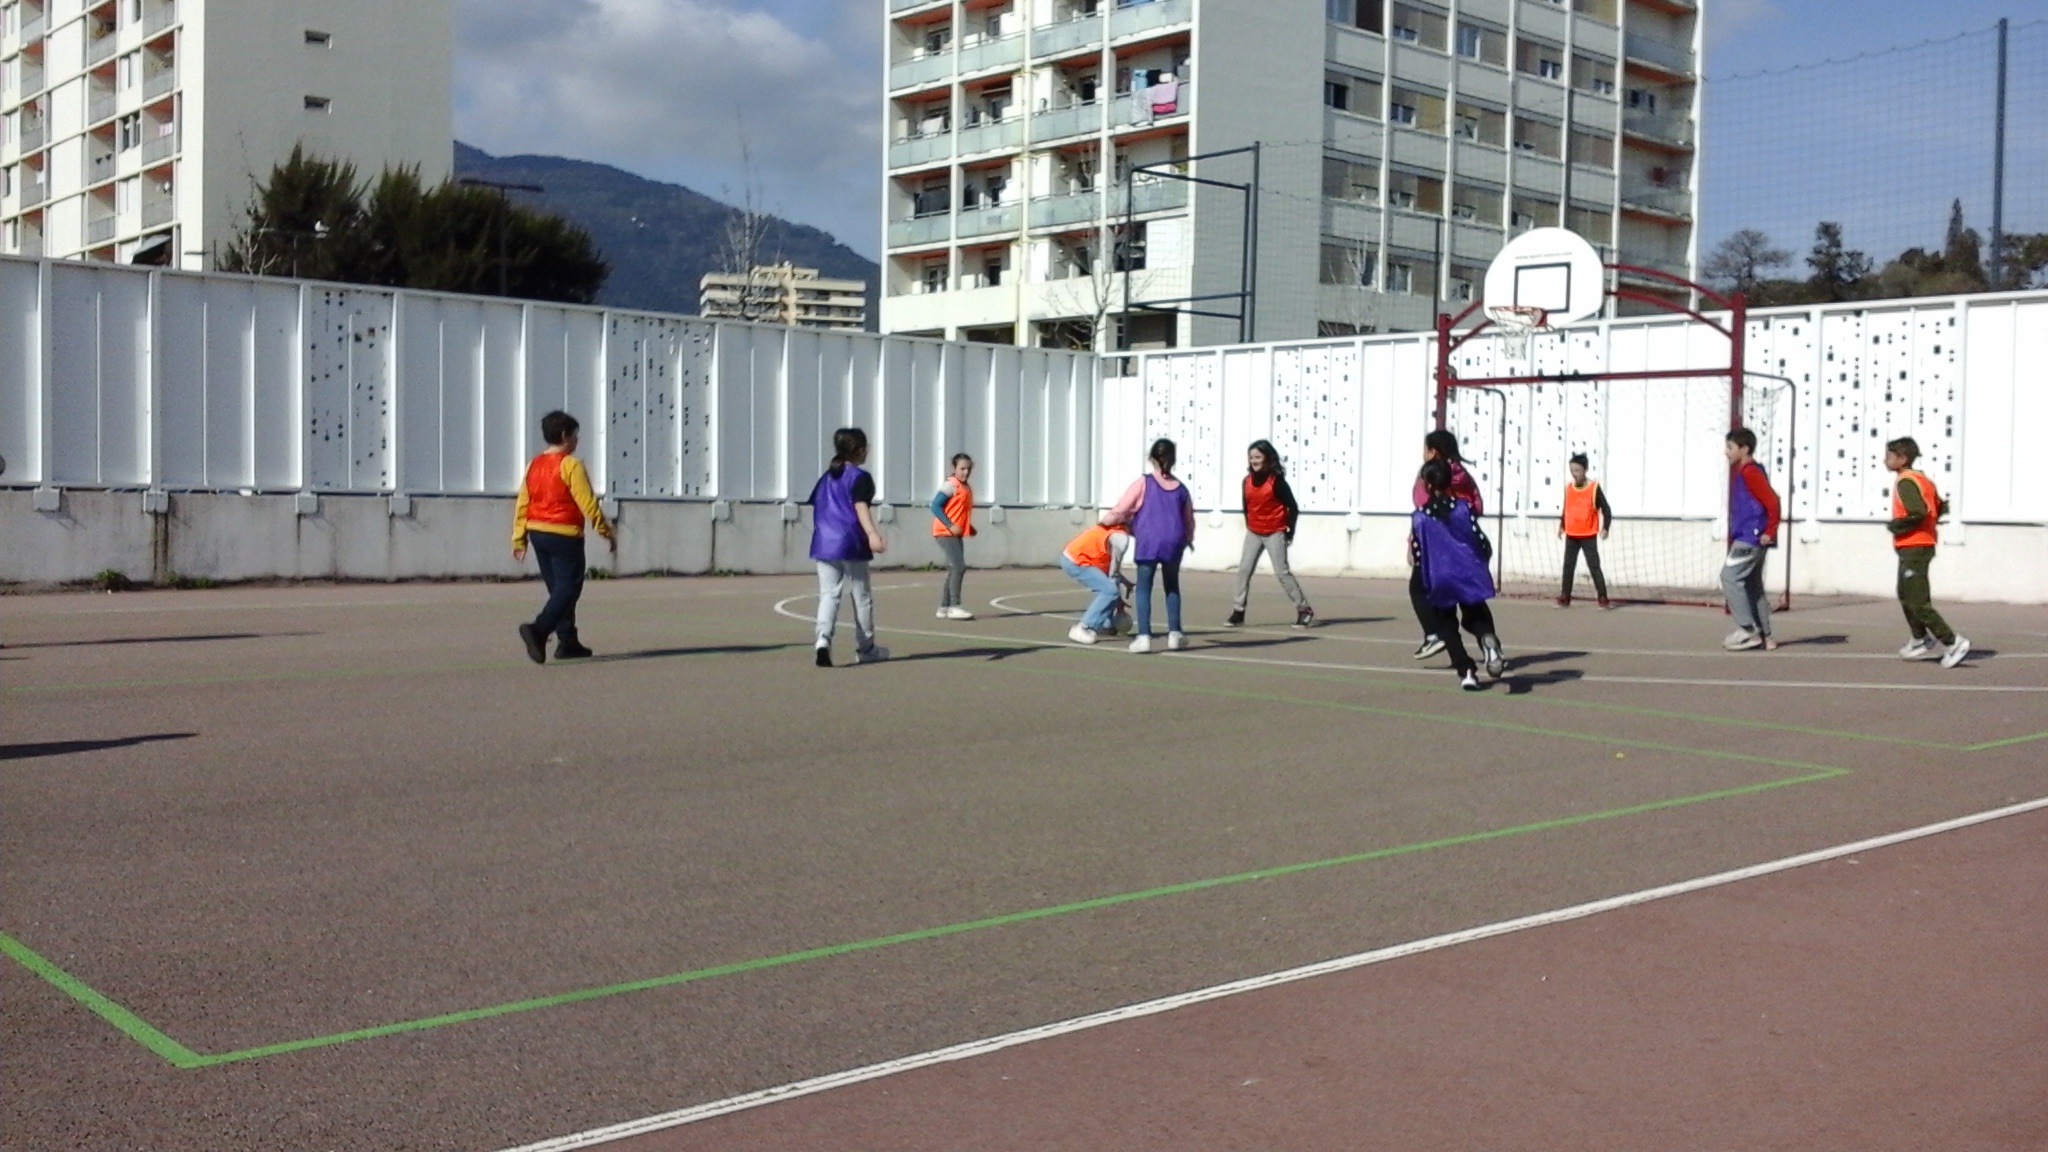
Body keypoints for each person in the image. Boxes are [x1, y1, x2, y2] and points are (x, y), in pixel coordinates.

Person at [512, 410, 614, 664]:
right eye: (575, 436)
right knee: (569, 588)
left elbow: (524, 501)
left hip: (537, 531)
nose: (577, 441)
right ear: (565, 436)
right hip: (564, 533)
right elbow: (587, 502)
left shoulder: (534, 464)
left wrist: (519, 537)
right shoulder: (570, 465)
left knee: (557, 588)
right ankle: (538, 629)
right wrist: (605, 531)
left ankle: (568, 641)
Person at [1408, 430, 1501, 676]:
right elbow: (1476, 506)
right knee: (1473, 606)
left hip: (1437, 554)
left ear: (1434, 451)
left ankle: (1440, 641)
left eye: (1426, 449)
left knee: (1432, 601)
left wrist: (1413, 546)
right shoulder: (1461, 475)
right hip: (1465, 551)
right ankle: (1488, 641)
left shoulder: (1429, 476)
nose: (1424, 453)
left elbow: (1421, 514)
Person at [1885, 437, 1970, 667]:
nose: (1886, 460)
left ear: (1902, 459)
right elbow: (1940, 506)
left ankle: (1952, 641)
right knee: (1904, 592)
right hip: (1915, 545)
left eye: (1889, 456)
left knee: (1917, 599)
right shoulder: (1923, 479)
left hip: (1916, 546)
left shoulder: (1906, 481)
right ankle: (1920, 638)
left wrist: (1896, 526)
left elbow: (1918, 512)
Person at [808, 427, 889, 668]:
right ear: (860, 451)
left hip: (824, 542)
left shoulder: (826, 477)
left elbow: (819, 507)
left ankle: (822, 640)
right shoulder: (859, 477)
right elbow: (860, 506)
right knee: (861, 595)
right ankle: (866, 648)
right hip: (850, 541)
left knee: (829, 595)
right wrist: (872, 534)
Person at [1107, 438, 1196, 653]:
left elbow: (1122, 507)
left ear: (1151, 458)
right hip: (1174, 540)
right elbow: (1189, 519)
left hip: (1149, 540)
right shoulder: (1181, 488)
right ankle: (1175, 633)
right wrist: (1189, 539)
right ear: (1173, 459)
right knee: (1172, 586)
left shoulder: (1144, 482)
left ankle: (1144, 636)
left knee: (1144, 588)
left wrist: (1106, 521)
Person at [1228, 440, 1316, 629]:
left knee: (1282, 572)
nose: (1254, 461)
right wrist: (1250, 525)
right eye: (1251, 457)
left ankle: (1304, 609)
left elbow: (1293, 507)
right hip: (1254, 531)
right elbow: (1247, 506)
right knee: (1244, 569)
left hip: (1274, 531)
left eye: (1258, 457)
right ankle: (1238, 611)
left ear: (1267, 459)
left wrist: (1289, 530)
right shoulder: (1247, 481)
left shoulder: (1276, 482)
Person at [1721, 427, 1782, 652]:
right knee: (1753, 586)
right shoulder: (1746, 471)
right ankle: (1766, 636)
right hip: (1752, 535)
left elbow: (1773, 502)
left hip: (1751, 537)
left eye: (1730, 447)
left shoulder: (1750, 472)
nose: (1726, 452)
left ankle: (1747, 629)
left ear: (1744, 449)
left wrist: (1769, 530)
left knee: (1729, 578)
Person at [1060, 518, 1134, 645]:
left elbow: (1110, 570)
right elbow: (1113, 573)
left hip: (1078, 558)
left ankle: (1105, 625)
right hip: (1077, 561)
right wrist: (1118, 599)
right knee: (1110, 591)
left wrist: (1124, 582)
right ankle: (1083, 627)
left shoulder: (1114, 531)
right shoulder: (1120, 538)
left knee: (1111, 590)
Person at [1556, 452, 1614, 608]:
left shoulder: (1594, 488)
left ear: (1585, 470)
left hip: (1588, 534)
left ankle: (1603, 597)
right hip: (1572, 534)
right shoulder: (1568, 488)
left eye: (1577, 471)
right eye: (1572, 471)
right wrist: (1562, 525)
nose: (1574, 474)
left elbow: (1606, 510)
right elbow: (1566, 508)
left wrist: (1605, 528)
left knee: (1594, 565)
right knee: (1568, 566)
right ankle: (1565, 597)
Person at [929, 453, 977, 621]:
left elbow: (959, 511)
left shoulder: (966, 488)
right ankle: (955, 605)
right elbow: (935, 505)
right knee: (959, 566)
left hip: (955, 533)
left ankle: (944, 606)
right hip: (944, 532)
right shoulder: (951, 485)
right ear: (954, 469)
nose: (965, 472)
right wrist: (950, 525)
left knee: (954, 567)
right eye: (962, 469)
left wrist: (968, 527)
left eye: (968, 469)